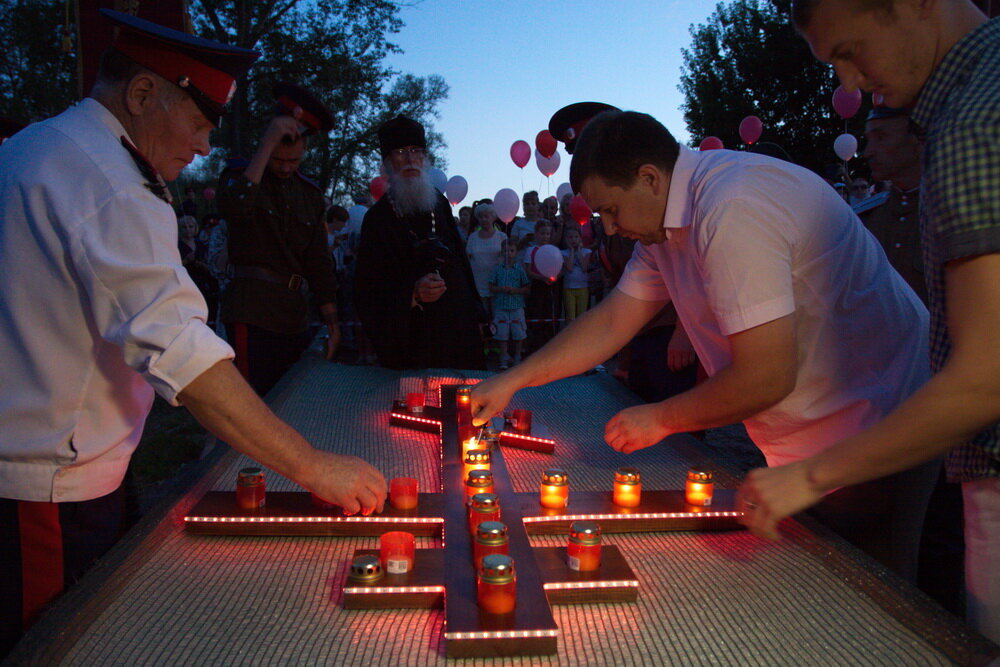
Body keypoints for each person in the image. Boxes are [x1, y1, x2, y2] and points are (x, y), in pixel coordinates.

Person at [0, 10, 386, 656]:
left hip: (69, 463)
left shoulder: (38, 147)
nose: (206, 144)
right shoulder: (110, 184)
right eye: (200, 121)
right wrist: (312, 465)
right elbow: (185, 356)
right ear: (144, 94)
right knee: (53, 643)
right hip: (44, 487)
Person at [470, 110, 937, 582]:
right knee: (823, 574)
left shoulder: (731, 206)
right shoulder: (663, 222)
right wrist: (514, 379)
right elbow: (612, 320)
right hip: (815, 436)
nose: (609, 228)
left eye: (611, 210)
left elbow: (766, 376)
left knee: (872, 589)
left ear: (649, 178)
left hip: (882, 416)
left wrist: (661, 418)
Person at [741, 0, 999, 642]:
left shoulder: (972, 122)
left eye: (850, 51)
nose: (848, 85)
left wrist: (809, 475)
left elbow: (985, 376)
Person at [218, 82, 340, 396]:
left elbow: (317, 259)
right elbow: (236, 208)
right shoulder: (240, 177)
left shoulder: (309, 194)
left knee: (290, 399)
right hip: (251, 310)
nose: (286, 168)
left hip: (294, 316)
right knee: (251, 401)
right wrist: (264, 150)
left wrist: (331, 318)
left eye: (294, 161)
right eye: (278, 159)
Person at [353, 115, 485, 370]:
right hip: (414, 340)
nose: (410, 160)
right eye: (401, 152)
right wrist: (411, 294)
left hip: (457, 332)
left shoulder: (438, 202)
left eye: (416, 151)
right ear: (387, 163)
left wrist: (476, 310)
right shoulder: (377, 220)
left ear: (425, 159)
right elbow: (368, 293)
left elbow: (460, 262)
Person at [854, 105, 927, 302]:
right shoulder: (866, 218)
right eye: (869, 140)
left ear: (917, 143)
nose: (867, 152)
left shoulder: (948, 214)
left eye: (881, 138)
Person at [489, 239, 530, 370]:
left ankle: (517, 356)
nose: (509, 253)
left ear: (516, 252)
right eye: (506, 251)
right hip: (501, 306)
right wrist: (500, 289)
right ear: (502, 252)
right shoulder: (497, 269)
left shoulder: (519, 269)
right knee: (502, 334)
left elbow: (527, 287)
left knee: (518, 333)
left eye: (512, 251)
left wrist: (515, 291)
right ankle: (504, 356)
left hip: (517, 306)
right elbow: (491, 286)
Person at [465, 202, 507, 316]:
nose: (484, 219)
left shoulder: (502, 236)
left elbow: (508, 257)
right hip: (478, 281)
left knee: (497, 314)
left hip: (497, 281)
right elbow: (467, 257)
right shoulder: (473, 237)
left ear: (493, 218)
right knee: (483, 314)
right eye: (481, 217)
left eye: (487, 216)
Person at [560, 225, 592, 323]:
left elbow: (584, 267)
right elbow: (569, 267)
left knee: (581, 316)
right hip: (569, 287)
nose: (573, 239)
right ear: (566, 239)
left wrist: (578, 251)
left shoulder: (586, 252)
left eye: (576, 237)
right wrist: (572, 251)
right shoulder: (563, 253)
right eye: (570, 237)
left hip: (583, 287)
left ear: (580, 238)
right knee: (571, 316)